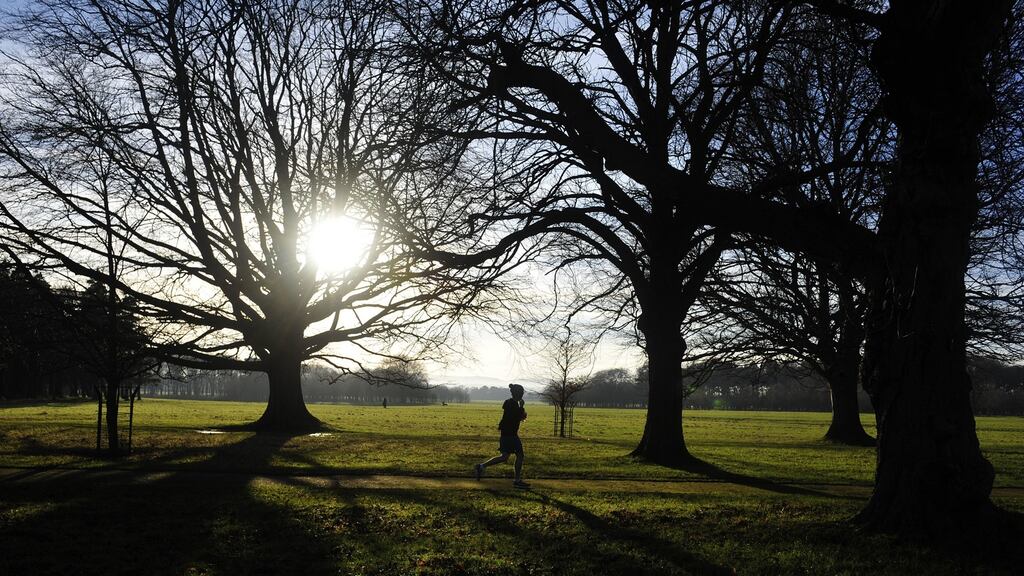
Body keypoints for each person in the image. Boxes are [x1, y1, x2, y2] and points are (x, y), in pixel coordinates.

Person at [475, 383, 529, 488]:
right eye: (522, 393)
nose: (522, 394)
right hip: (511, 435)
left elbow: (514, 417)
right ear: (519, 393)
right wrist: (522, 407)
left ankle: (481, 466)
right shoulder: (513, 404)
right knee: (520, 456)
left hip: (506, 434)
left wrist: (521, 410)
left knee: (504, 457)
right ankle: (517, 481)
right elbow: (515, 417)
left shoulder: (509, 403)